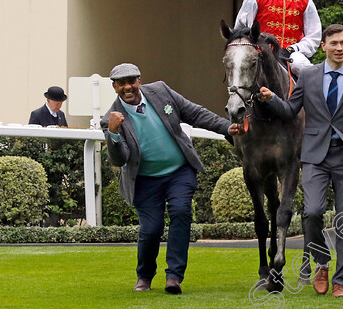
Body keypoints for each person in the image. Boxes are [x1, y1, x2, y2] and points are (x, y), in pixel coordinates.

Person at [258, 24, 343, 298]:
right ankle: (321, 262)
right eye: (334, 43)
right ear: (323, 46)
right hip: (314, 156)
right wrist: (271, 99)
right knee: (312, 212)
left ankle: (340, 281)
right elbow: (290, 110)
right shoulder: (309, 76)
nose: (339, 47)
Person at [100, 63, 243, 294]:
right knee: (151, 229)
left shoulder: (161, 91)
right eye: (121, 83)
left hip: (179, 170)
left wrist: (227, 127)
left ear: (139, 80)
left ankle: (174, 277)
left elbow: (195, 113)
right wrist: (114, 134)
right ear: (115, 87)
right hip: (144, 181)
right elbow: (120, 160)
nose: (128, 87)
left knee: (180, 211)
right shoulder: (110, 119)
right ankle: (144, 277)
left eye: (132, 81)